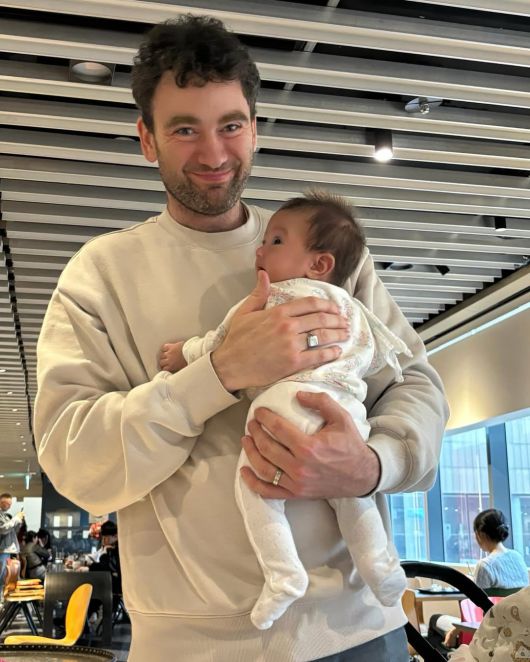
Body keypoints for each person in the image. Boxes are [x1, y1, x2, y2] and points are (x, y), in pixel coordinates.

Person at [34, 15, 449, 662]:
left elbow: (415, 382)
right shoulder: (100, 275)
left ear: (255, 127)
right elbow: (74, 460)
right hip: (195, 648)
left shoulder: (323, 253)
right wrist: (217, 372)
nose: (213, 154)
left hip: (360, 630)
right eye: (184, 129)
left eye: (230, 125)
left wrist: (373, 465)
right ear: (146, 139)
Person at [160, 190, 409, 629]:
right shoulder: (353, 308)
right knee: (351, 496)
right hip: (346, 414)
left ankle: (283, 574)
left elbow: (224, 342)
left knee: (256, 488)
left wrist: (184, 353)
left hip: (288, 403)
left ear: (319, 264)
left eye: (275, 241)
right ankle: (381, 568)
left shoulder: (274, 296)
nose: (260, 250)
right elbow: (379, 360)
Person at [432, 509, 529, 651]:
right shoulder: (518, 557)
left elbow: (476, 610)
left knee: (435, 620)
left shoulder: (485, 565)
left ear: (480, 534)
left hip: (488, 632)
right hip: (518, 630)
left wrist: (455, 631)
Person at [448, 586, 530, 662]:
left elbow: (479, 588)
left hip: (483, 619)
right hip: (488, 617)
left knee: (440, 619)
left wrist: (455, 630)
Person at [0, 493, 24, 597]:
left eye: (10, 504)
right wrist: (15, 519)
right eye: (8, 504)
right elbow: (3, 529)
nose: (9, 506)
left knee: (5, 578)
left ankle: (2, 601)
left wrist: (18, 522)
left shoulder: (4, 515)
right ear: (2, 502)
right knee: (2, 578)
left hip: (6, 550)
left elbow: (11, 531)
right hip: (2, 550)